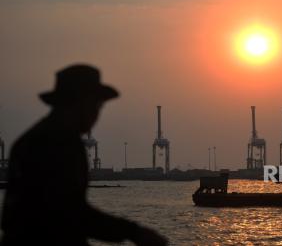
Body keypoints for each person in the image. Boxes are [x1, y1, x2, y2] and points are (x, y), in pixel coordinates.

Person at [1, 64, 167, 245]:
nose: (97, 114)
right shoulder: (60, 144)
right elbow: (72, 213)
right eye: (97, 105)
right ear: (80, 102)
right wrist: (134, 232)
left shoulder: (30, 141)